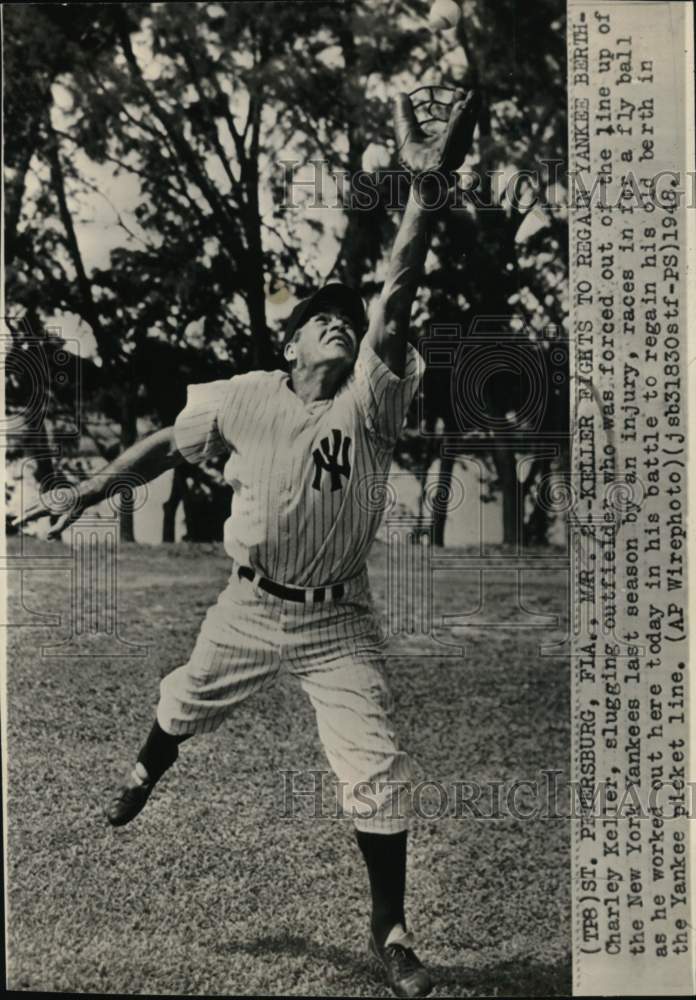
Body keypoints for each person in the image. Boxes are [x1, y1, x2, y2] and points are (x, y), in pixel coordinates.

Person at [14, 89, 478, 999]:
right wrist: (86, 487)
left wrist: (424, 194)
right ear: (291, 342)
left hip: (337, 622)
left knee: (374, 764)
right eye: (320, 316)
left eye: (346, 316)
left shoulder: (371, 399)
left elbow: (395, 296)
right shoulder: (244, 395)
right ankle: (143, 770)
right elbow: (164, 443)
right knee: (186, 698)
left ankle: (391, 931)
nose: (339, 320)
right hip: (249, 603)